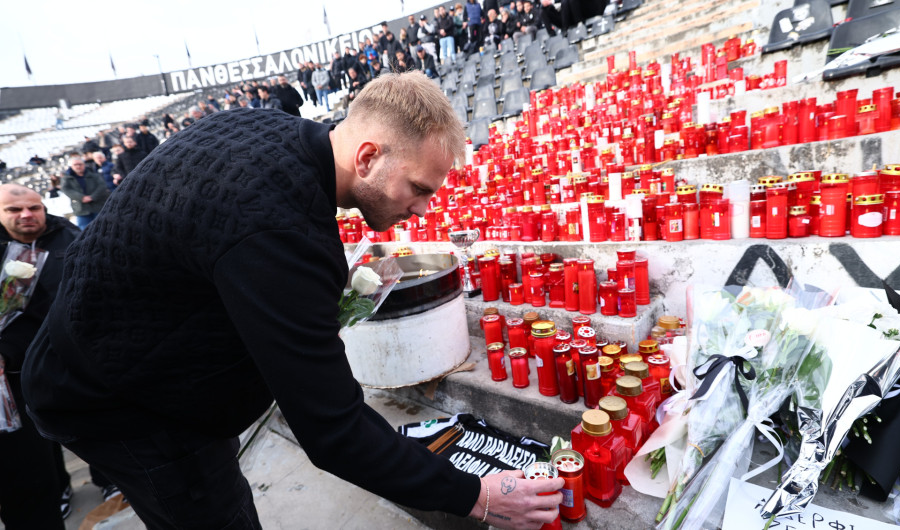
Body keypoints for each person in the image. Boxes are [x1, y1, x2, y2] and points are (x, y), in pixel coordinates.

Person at [22, 71, 563, 530]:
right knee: (208, 505)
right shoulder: (281, 233)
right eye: (419, 189)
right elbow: (334, 430)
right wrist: (479, 497)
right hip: (122, 402)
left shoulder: (261, 128)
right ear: (369, 156)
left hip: (112, 351)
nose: (421, 211)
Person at [0, 184, 80, 530]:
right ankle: (58, 490)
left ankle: (104, 479)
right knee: (31, 463)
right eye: (14, 210)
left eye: (34, 207)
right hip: (14, 375)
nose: (26, 215)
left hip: (66, 361)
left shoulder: (69, 237)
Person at [61, 156, 109, 229]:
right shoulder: (67, 178)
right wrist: (81, 197)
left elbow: (102, 186)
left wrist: (92, 197)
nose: (78, 166)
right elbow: (66, 189)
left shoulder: (94, 175)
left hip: (98, 206)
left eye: (80, 164)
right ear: (71, 166)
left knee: (103, 227)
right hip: (81, 208)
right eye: (75, 165)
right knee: (85, 230)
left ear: (84, 165)